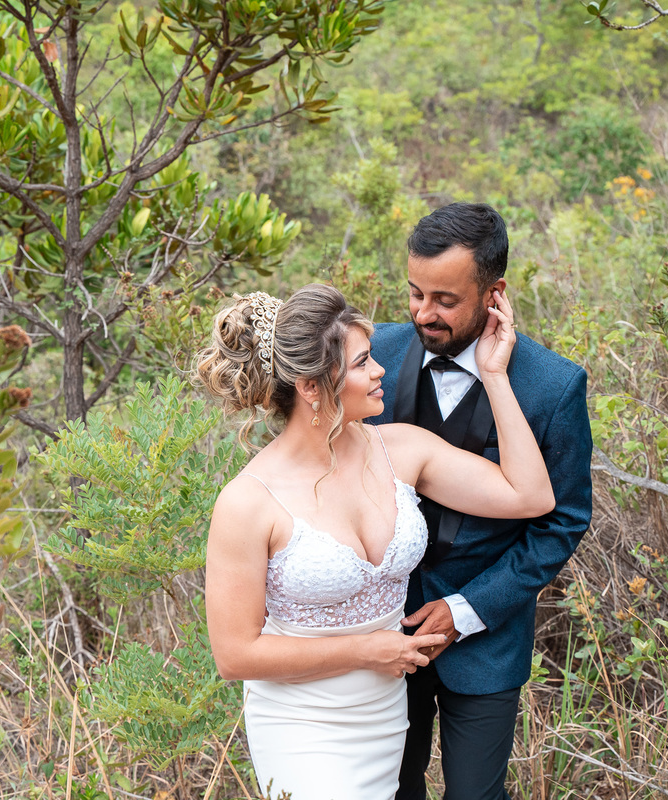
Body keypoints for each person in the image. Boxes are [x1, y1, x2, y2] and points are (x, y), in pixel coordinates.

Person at [197, 282, 555, 800]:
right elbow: (234, 655)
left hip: (384, 716)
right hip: (303, 723)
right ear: (312, 387)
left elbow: (530, 496)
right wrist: (366, 650)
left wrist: (495, 375)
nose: (380, 369)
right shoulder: (247, 501)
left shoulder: (401, 450)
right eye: (363, 362)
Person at [365, 203, 594, 800]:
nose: (422, 312)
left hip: (486, 641)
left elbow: (563, 521)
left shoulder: (551, 384)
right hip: (378, 632)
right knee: (389, 790)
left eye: (445, 299)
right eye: (415, 292)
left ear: (494, 293)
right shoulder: (375, 358)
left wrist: (467, 609)